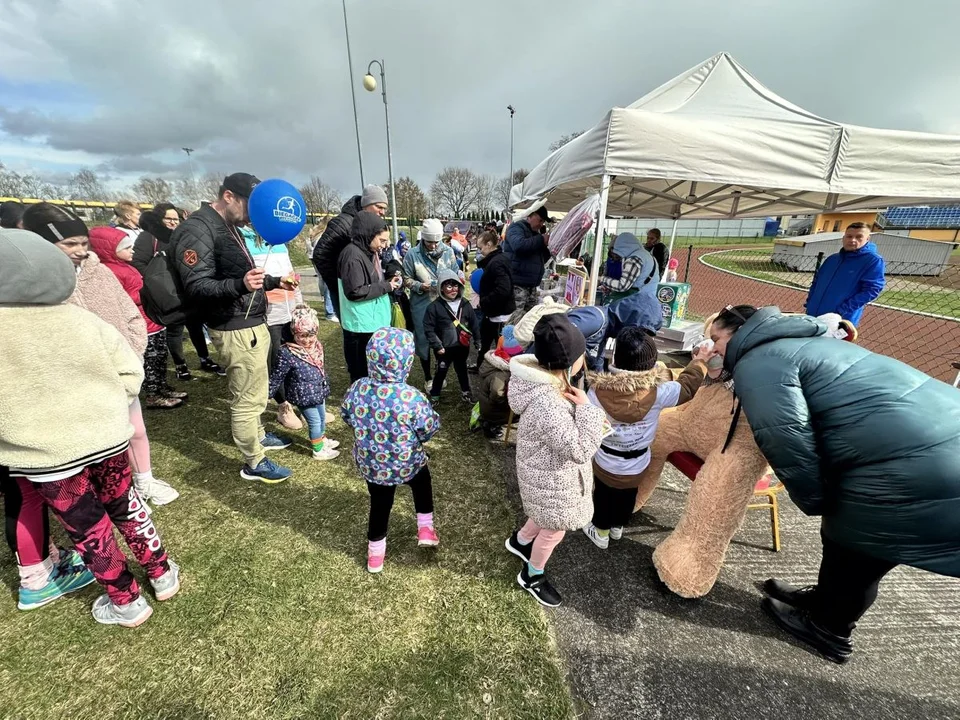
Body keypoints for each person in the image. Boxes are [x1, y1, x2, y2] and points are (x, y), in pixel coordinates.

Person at [709, 304, 960, 664]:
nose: (714, 347)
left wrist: (815, 499)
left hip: (922, 467)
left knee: (861, 546)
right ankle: (825, 600)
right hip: (941, 435)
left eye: (717, 338)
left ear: (737, 331)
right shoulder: (808, 339)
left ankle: (830, 629)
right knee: (852, 543)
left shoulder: (759, 362)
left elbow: (786, 440)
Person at [0, 230, 179, 627]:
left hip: (48, 457)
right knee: (127, 506)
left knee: (88, 529)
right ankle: (162, 573)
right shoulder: (81, 320)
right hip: (107, 438)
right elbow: (130, 372)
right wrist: (109, 404)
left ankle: (126, 601)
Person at [172, 173, 297, 484]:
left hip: (249, 320)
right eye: (249, 207)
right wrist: (238, 284)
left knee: (254, 390)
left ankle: (258, 435)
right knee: (247, 397)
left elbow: (241, 276)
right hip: (234, 326)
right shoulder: (199, 229)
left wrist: (270, 281)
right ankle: (254, 461)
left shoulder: (227, 226)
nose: (252, 217)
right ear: (229, 196)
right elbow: (197, 284)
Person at [504, 315, 607, 607]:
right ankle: (532, 575)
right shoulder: (548, 403)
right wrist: (588, 411)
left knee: (544, 514)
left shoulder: (543, 387)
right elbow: (578, 448)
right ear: (569, 361)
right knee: (554, 528)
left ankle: (521, 542)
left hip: (545, 476)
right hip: (553, 479)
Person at [581, 328, 708, 548]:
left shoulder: (596, 392)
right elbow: (687, 386)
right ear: (652, 363)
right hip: (638, 462)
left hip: (606, 460)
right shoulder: (660, 392)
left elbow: (589, 421)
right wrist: (699, 362)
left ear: (616, 357)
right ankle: (617, 527)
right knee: (628, 495)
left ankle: (600, 531)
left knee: (604, 496)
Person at [341, 327, 441, 574]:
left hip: (372, 463)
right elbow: (429, 428)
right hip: (407, 461)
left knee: (380, 504)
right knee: (422, 483)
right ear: (406, 362)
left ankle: (375, 557)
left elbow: (346, 414)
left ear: (371, 357)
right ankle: (425, 527)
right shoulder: (411, 397)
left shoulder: (358, 388)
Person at [90, 225, 183, 414]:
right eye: (125, 248)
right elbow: (120, 298)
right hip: (142, 324)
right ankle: (153, 394)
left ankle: (162, 387)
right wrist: (147, 295)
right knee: (150, 359)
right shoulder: (110, 272)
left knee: (160, 357)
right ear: (109, 250)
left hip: (152, 320)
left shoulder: (126, 266)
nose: (132, 250)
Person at [135, 204, 224, 380]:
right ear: (160, 219)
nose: (173, 222)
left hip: (188, 288)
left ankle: (204, 358)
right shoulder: (149, 237)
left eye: (176, 219)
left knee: (196, 325)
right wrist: (156, 279)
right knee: (175, 329)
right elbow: (138, 261)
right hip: (168, 291)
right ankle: (180, 365)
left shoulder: (182, 234)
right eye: (169, 219)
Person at [240, 225, 305, 431]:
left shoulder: (281, 241)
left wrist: (300, 303)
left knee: (297, 356)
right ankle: (283, 406)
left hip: (290, 309)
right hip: (270, 312)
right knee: (276, 360)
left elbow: (291, 275)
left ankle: (305, 403)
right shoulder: (246, 241)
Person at [268, 305, 340, 461]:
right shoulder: (287, 352)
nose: (307, 340)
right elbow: (277, 374)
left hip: (318, 391)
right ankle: (318, 451)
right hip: (303, 395)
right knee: (314, 421)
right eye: (301, 336)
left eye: (311, 335)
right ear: (294, 333)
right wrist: (269, 391)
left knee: (321, 418)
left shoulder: (317, 346)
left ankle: (322, 440)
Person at [338, 212, 401, 382]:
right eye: (381, 240)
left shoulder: (366, 252)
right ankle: (360, 404)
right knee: (361, 374)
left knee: (372, 371)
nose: (384, 245)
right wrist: (386, 286)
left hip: (370, 324)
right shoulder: (352, 256)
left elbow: (370, 281)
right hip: (360, 328)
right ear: (368, 234)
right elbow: (355, 291)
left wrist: (387, 280)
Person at [312, 185, 389, 320]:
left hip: (364, 288)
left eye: (384, 208)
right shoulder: (344, 223)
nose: (382, 212)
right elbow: (320, 254)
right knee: (353, 331)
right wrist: (338, 282)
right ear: (366, 204)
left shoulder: (371, 223)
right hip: (348, 289)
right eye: (379, 207)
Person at [402, 218, 459, 388]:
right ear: (423, 239)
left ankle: (439, 373)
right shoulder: (412, 254)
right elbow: (406, 279)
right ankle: (428, 377)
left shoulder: (448, 252)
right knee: (423, 339)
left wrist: (455, 280)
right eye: (429, 242)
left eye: (436, 242)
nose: (433, 246)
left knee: (442, 339)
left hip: (443, 304)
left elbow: (455, 272)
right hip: (421, 305)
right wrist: (420, 286)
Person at [804, 222, 885, 327]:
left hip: (839, 319)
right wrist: (810, 302)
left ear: (867, 239)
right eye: (849, 236)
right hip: (813, 315)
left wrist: (842, 310)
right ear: (843, 238)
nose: (852, 240)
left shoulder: (872, 261)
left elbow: (872, 290)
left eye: (859, 237)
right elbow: (816, 283)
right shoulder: (832, 259)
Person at [423, 269, 480, 404]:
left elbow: (474, 323)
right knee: (441, 370)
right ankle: (435, 395)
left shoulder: (465, 304)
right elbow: (428, 328)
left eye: (455, 285)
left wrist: (477, 340)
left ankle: (466, 392)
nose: (453, 289)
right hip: (444, 348)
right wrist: (437, 345)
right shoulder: (434, 307)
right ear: (441, 288)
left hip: (462, 346)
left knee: (461, 369)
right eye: (448, 286)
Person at [477, 325, 524, 440]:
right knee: (519, 414)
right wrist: (513, 402)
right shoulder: (501, 374)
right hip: (492, 409)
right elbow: (497, 396)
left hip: (487, 404)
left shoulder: (495, 359)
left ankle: (490, 421)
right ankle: (490, 424)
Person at [502, 206, 551, 313]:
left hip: (531, 286)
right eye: (540, 220)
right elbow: (519, 246)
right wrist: (541, 239)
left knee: (529, 320)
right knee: (515, 320)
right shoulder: (516, 228)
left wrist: (549, 248)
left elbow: (541, 259)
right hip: (517, 285)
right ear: (530, 215)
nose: (541, 224)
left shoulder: (534, 234)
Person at [475, 230, 515, 357]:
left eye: (480, 247)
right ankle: (481, 365)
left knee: (503, 346)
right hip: (494, 312)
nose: (479, 251)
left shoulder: (497, 263)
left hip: (499, 314)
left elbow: (503, 289)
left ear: (489, 244)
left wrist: (485, 301)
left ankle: (503, 370)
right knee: (486, 341)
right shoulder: (498, 259)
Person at [305, 220, 338, 321]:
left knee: (322, 281)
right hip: (324, 262)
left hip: (317, 260)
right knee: (328, 284)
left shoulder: (315, 234)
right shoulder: (322, 236)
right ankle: (330, 312)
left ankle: (328, 304)